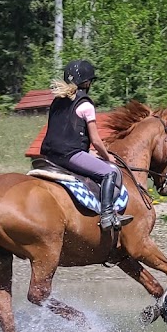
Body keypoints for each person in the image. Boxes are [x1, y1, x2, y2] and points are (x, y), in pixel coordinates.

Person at [39, 60, 132, 230]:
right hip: (69, 155)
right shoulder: (85, 104)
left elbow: (66, 132)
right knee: (109, 172)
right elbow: (96, 140)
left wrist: (87, 152)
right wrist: (107, 156)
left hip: (49, 155)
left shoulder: (57, 101)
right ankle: (107, 215)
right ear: (88, 82)